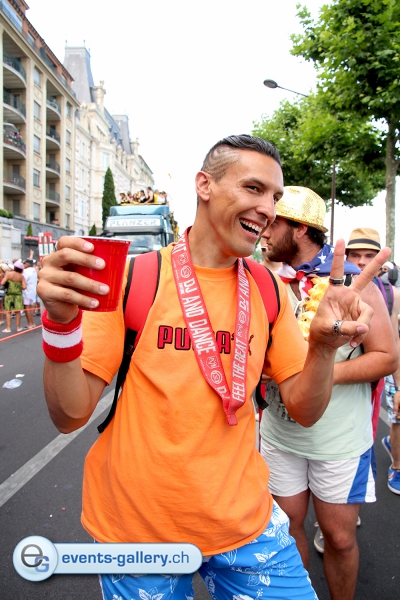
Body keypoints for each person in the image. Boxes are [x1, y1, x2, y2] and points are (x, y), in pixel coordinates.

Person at [37, 135, 391, 600]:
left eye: (275, 197)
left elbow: (304, 410)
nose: (267, 209)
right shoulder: (135, 277)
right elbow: (69, 415)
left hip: (246, 522)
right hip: (138, 529)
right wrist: (61, 325)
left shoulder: (267, 288)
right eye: (253, 188)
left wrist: (322, 349)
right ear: (204, 185)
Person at [260, 187, 397, 600]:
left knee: (338, 538)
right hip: (280, 436)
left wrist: (318, 376)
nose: (264, 231)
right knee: (286, 532)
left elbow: (387, 357)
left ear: (301, 229)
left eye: (274, 223)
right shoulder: (266, 281)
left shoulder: (352, 283)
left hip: (339, 442)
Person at [345, 228, 400, 495]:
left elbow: (394, 342)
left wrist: (398, 387)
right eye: (355, 255)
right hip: (345, 375)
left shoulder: (391, 294)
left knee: (368, 430)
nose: (362, 262)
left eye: (369, 256)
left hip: (375, 376)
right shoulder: (337, 288)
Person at [1, 259, 26, 333]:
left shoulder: (9, 274)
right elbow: (24, 287)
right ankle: (18, 327)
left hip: (9, 295)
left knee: (8, 312)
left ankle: (8, 328)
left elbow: (2, 283)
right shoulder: (21, 277)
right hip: (18, 296)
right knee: (18, 312)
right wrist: (18, 286)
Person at [22, 258, 38, 329]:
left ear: (27, 264)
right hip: (33, 291)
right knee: (31, 308)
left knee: (27, 308)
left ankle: (29, 323)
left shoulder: (26, 271)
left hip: (27, 292)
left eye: (24, 263)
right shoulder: (34, 270)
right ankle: (32, 323)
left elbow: (23, 281)